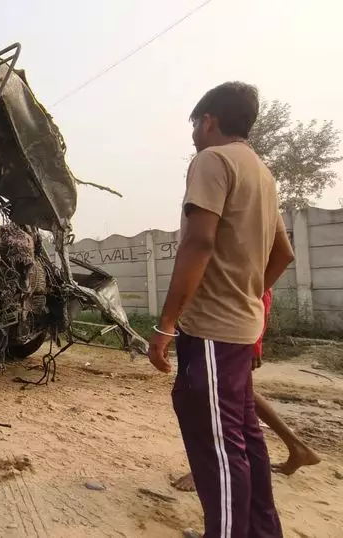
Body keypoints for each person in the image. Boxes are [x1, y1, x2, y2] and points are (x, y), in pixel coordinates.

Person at [148, 82, 296, 538]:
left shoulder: (212, 160)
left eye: (196, 123)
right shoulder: (262, 173)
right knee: (244, 439)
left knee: (219, 447)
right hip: (237, 327)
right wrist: (250, 293)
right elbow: (283, 254)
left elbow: (199, 240)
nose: (194, 132)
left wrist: (167, 324)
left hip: (211, 329)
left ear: (208, 120)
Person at [170, 288, 321, 492]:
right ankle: (297, 447)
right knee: (238, 390)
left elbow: (259, 282)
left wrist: (254, 343)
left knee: (212, 393)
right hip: (226, 315)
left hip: (235, 318)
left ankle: (208, 467)